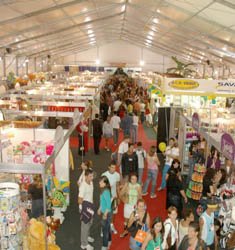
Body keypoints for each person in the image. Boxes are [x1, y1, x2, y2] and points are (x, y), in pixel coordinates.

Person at [119, 173, 142, 238]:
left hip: (135, 206)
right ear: (130, 179)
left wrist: (139, 206)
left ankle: (133, 233)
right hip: (127, 205)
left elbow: (140, 197)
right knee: (126, 220)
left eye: (135, 179)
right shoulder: (127, 185)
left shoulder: (138, 186)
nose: (134, 181)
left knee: (135, 220)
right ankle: (126, 230)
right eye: (132, 179)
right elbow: (120, 194)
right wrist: (124, 200)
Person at [102, 161, 121, 235]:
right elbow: (102, 188)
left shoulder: (117, 175)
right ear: (109, 167)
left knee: (114, 213)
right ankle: (103, 228)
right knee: (105, 213)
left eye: (115, 168)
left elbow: (117, 187)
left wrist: (118, 197)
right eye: (112, 167)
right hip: (106, 198)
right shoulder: (104, 175)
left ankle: (111, 225)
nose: (114, 169)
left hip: (114, 197)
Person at [78, 168, 94, 250]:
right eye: (90, 176)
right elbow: (79, 200)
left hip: (90, 207)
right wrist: (84, 210)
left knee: (90, 223)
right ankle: (84, 244)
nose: (92, 178)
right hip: (84, 209)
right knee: (84, 226)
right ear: (86, 176)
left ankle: (86, 237)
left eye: (92, 176)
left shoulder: (91, 183)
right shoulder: (83, 186)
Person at [98, 176, 112, 250]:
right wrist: (100, 208)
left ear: (105, 183)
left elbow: (109, 205)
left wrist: (105, 214)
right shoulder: (103, 190)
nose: (99, 183)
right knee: (107, 227)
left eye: (101, 182)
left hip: (106, 214)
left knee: (105, 231)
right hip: (105, 212)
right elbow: (103, 202)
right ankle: (109, 241)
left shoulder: (106, 192)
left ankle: (105, 246)